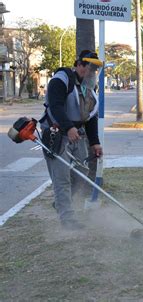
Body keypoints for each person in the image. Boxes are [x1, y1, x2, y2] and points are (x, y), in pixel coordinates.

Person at [39, 50, 103, 230]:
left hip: (77, 134)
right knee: (62, 179)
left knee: (82, 173)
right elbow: (56, 106)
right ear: (78, 64)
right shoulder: (61, 79)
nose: (90, 71)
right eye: (87, 66)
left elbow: (90, 118)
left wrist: (95, 142)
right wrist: (69, 127)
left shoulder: (89, 89)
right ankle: (67, 219)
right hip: (56, 134)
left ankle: (60, 203)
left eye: (94, 68)